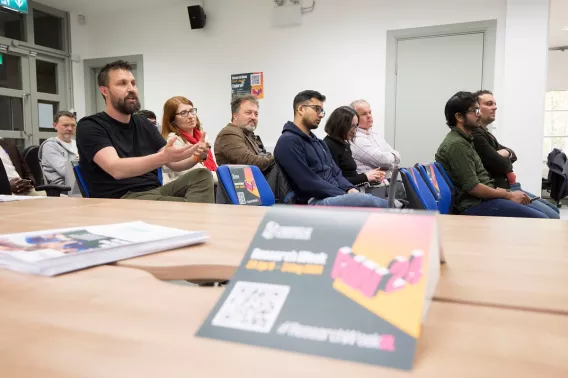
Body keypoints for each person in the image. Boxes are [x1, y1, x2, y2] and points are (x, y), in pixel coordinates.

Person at [76, 60, 214, 202]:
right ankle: (195, 219)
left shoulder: (142, 123)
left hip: (154, 190)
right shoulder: (90, 126)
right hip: (121, 198)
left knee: (201, 175)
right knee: (185, 206)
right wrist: (164, 157)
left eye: (133, 83)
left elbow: (174, 164)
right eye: (122, 83)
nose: (131, 89)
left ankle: (194, 219)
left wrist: (197, 156)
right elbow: (116, 169)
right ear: (105, 91)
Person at [435, 91, 548, 218]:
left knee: (546, 216)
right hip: (474, 205)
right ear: (459, 117)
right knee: (543, 219)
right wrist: (509, 195)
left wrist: (507, 193)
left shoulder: (466, 140)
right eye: (475, 111)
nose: (479, 114)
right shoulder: (457, 144)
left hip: (484, 199)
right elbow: (474, 188)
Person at [274, 90, 390, 208]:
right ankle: (400, 207)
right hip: (312, 201)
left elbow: (337, 173)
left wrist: (349, 188)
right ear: (301, 109)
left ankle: (399, 206)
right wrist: (344, 194)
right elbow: (307, 182)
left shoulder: (319, 143)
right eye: (316, 109)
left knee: (362, 198)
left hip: (332, 195)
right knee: (363, 200)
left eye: (321, 111)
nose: (320, 115)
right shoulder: (288, 141)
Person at [472, 90, 559, 219]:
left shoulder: (486, 133)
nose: (495, 107)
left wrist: (505, 153)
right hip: (503, 189)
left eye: (495, 104)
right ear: (477, 109)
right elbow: (499, 163)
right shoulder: (476, 134)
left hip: (512, 186)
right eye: (489, 104)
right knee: (550, 217)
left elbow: (512, 154)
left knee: (555, 211)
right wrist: (503, 156)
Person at [160, 96, 218, 185]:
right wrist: (225, 178)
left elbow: (213, 166)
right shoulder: (172, 139)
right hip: (185, 191)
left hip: (209, 184)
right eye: (183, 113)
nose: (191, 116)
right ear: (172, 120)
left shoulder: (201, 136)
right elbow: (197, 173)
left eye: (191, 111)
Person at [323, 106, 385, 186]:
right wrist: (365, 177)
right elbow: (335, 181)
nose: (355, 130)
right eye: (352, 126)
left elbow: (351, 175)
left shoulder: (344, 144)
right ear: (341, 126)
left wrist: (369, 176)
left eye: (356, 126)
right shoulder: (329, 145)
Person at [214, 94, 274, 173]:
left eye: (256, 114)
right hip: (243, 183)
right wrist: (278, 157)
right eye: (249, 113)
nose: (253, 117)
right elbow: (249, 161)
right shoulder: (229, 133)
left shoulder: (248, 134)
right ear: (235, 116)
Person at [350, 100, 401, 178]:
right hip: (371, 187)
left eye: (370, 112)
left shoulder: (376, 135)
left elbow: (395, 162)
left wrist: (391, 159)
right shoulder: (355, 138)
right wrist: (394, 157)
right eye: (363, 114)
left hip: (386, 183)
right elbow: (384, 161)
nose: (369, 116)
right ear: (354, 118)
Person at [39, 111, 79, 186]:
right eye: (65, 125)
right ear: (55, 125)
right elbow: (67, 171)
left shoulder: (79, 144)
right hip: (64, 189)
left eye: (73, 125)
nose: (70, 129)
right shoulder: (50, 146)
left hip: (84, 185)